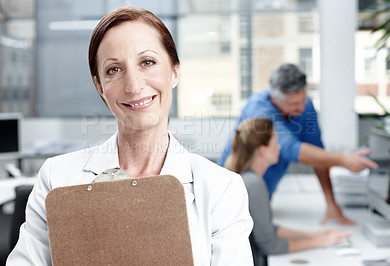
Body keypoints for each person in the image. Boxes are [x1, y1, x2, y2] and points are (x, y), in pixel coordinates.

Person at [7, 7, 253, 265]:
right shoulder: (56, 178)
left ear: (175, 71)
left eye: (147, 62)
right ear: (100, 86)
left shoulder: (221, 189)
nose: (133, 86)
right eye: (114, 69)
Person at [219, 63, 379, 225]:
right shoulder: (259, 110)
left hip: (263, 195)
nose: (301, 108)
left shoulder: (305, 107)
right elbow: (290, 148)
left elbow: (318, 155)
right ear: (275, 99)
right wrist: (344, 159)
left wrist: (331, 204)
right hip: (230, 197)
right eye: (293, 104)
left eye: (303, 99)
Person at [225, 117, 352, 266]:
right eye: (275, 141)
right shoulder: (254, 184)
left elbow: (268, 229)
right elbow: (270, 245)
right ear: (263, 150)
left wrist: (313, 235)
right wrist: (320, 241)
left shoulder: (247, 179)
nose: (279, 147)